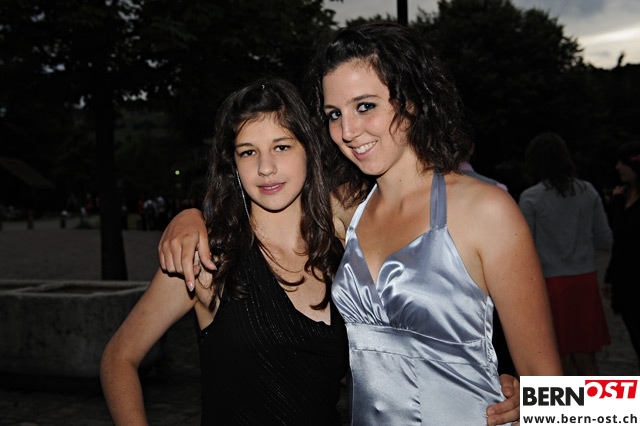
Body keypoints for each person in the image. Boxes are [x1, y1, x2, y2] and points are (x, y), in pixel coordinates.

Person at [159, 23, 561, 425]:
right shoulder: (343, 211)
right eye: (334, 114)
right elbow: (257, 206)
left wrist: (537, 402)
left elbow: (558, 393)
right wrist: (191, 218)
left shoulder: (487, 212)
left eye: (365, 106)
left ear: (412, 100)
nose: (348, 131)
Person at [101, 78, 350, 425]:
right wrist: (191, 216)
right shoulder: (207, 258)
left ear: (308, 148)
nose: (265, 167)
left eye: (281, 147)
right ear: (233, 163)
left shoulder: (340, 244)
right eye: (248, 152)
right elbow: (118, 358)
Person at [519, 132, 612, 375]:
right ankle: (596, 401)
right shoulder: (587, 191)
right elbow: (604, 238)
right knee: (586, 355)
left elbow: (524, 248)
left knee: (555, 358)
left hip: (549, 283)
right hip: (585, 280)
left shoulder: (531, 197)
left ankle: (561, 402)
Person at [604, 140, 640, 370]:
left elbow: (625, 231)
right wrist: (610, 276)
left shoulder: (623, 198)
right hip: (627, 282)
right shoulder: (625, 195)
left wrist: (616, 203)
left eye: (623, 162)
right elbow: (619, 243)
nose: (618, 167)